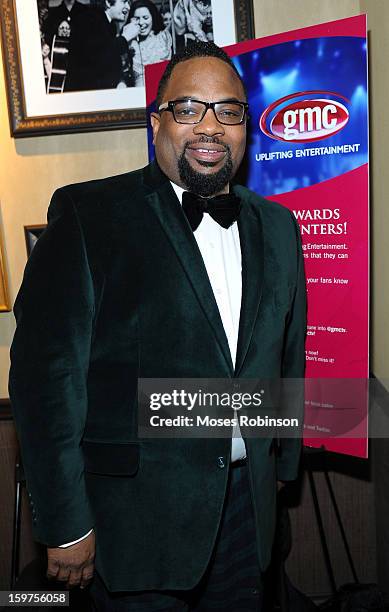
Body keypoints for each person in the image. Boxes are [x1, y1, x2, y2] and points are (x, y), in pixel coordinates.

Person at [9, 42, 306, 611]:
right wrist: (66, 526)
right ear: (157, 122)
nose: (210, 127)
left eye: (228, 111)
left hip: (249, 514)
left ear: (246, 126)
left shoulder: (279, 227)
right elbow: (46, 382)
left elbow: (284, 357)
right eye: (189, 108)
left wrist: (281, 470)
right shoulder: (89, 215)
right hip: (134, 528)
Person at [64, 0, 139, 91]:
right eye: (124, 2)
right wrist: (125, 38)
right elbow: (98, 60)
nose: (128, 7)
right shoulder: (88, 19)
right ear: (108, 2)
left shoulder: (109, 24)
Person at [128, 0, 172, 86]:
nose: (141, 23)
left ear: (153, 17)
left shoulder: (163, 38)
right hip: (137, 94)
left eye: (145, 18)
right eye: (137, 19)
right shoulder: (128, 43)